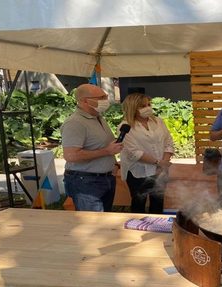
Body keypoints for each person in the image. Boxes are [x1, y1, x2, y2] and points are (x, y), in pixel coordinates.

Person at [61, 84, 123, 212]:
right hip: (86, 182)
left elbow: (103, 146)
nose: (106, 100)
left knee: (104, 220)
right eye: (101, 97)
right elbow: (71, 156)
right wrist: (107, 151)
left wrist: (115, 165)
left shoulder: (98, 117)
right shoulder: (75, 123)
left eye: (105, 96)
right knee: (93, 224)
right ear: (84, 101)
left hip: (106, 178)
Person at [119, 93, 174, 214]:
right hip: (137, 172)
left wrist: (164, 162)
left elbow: (169, 141)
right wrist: (159, 163)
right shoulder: (125, 126)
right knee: (139, 204)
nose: (148, 108)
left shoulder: (158, 122)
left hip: (160, 170)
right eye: (143, 106)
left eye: (149, 104)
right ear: (133, 108)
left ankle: (157, 228)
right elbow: (134, 153)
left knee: (158, 202)